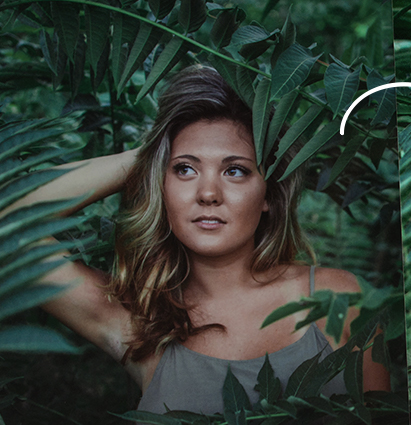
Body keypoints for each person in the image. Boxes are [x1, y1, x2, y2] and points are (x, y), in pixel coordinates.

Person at [3, 65, 389, 415]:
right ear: (162, 186)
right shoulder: (141, 326)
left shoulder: (338, 298)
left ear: (269, 196)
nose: (208, 193)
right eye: (185, 169)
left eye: (235, 171)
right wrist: (150, 154)